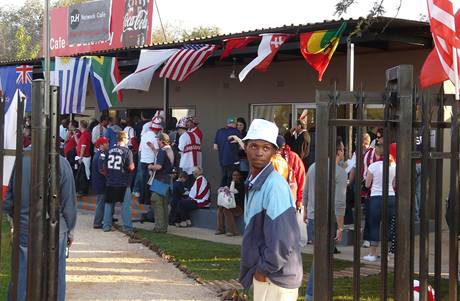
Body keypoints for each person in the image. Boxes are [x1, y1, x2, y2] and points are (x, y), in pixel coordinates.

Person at [239, 119, 302, 301]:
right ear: (245, 147)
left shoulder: (274, 186)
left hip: (275, 278)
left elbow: (283, 239)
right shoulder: (254, 182)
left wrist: (263, 270)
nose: (259, 152)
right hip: (268, 276)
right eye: (253, 146)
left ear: (274, 152)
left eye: (266, 148)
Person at [4, 150, 77, 301]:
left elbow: (10, 200)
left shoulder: (21, 160)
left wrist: (16, 221)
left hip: (26, 226)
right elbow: (69, 205)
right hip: (56, 230)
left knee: (22, 277)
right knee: (55, 278)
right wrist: (69, 231)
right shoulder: (62, 163)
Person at [303, 137, 347, 301]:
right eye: (342, 149)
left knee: (320, 257)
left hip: (313, 218)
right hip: (328, 220)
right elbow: (339, 202)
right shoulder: (340, 173)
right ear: (338, 151)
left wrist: (306, 209)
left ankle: (320, 292)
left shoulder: (314, 167)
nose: (343, 152)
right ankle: (312, 294)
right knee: (323, 260)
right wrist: (340, 226)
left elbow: (306, 190)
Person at [363, 144, 396, 262]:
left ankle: (372, 254)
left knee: (374, 225)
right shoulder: (395, 166)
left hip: (376, 197)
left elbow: (367, 184)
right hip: (391, 197)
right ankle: (386, 253)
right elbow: (395, 184)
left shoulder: (373, 166)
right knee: (388, 226)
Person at [103, 131, 135, 233]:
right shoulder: (127, 151)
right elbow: (131, 167)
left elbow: (105, 167)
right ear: (124, 139)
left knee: (109, 205)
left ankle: (106, 226)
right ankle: (127, 227)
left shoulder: (109, 150)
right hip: (123, 182)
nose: (128, 140)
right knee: (125, 206)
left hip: (111, 181)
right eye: (127, 138)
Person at [148, 133, 174, 233]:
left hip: (160, 180)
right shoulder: (170, 150)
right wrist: (154, 149)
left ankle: (159, 227)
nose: (157, 142)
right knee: (164, 204)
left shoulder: (162, 152)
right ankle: (164, 227)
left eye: (158, 140)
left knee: (157, 202)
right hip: (167, 180)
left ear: (162, 141)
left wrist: (150, 166)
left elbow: (159, 166)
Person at [138, 116, 163, 204]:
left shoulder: (144, 135)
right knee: (149, 182)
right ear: (157, 129)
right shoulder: (155, 137)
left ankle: (141, 199)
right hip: (151, 162)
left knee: (143, 181)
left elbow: (140, 149)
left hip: (143, 160)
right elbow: (156, 151)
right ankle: (147, 200)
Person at [277, 135, 305, 210]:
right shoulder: (270, 158)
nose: (278, 150)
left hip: (290, 199)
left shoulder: (293, 157)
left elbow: (301, 178)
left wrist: (300, 199)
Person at [214, 116, 242, 187]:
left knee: (224, 178)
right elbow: (242, 147)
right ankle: (232, 196)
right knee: (233, 180)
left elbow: (215, 147)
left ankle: (222, 195)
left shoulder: (219, 131)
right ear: (234, 123)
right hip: (234, 160)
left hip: (222, 160)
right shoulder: (236, 132)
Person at [215, 170, 245, 236]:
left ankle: (233, 231)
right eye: (234, 175)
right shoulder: (230, 183)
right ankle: (221, 229)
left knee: (226, 210)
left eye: (237, 175)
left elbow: (232, 191)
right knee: (220, 208)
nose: (235, 177)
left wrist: (233, 182)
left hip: (238, 207)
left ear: (240, 176)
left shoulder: (242, 185)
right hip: (229, 205)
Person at [177, 117, 202, 184]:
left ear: (180, 129)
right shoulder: (195, 135)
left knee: (184, 185)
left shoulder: (183, 136)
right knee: (194, 184)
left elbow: (180, 148)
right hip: (197, 165)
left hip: (186, 165)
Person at [92, 136, 109, 229]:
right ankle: (97, 222)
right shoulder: (102, 155)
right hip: (101, 183)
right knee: (101, 203)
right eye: (106, 142)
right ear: (102, 144)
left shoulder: (98, 153)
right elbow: (101, 169)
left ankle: (101, 220)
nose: (108, 144)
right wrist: (108, 177)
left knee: (101, 202)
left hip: (98, 182)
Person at [76, 120, 92, 194]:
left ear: (81, 125)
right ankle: (82, 189)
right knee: (83, 174)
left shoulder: (85, 134)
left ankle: (83, 190)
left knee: (84, 174)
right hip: (84, 157)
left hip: (84, 157)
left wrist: (81, 157)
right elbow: (79, 143)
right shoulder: (84, 134)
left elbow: (83, 147)